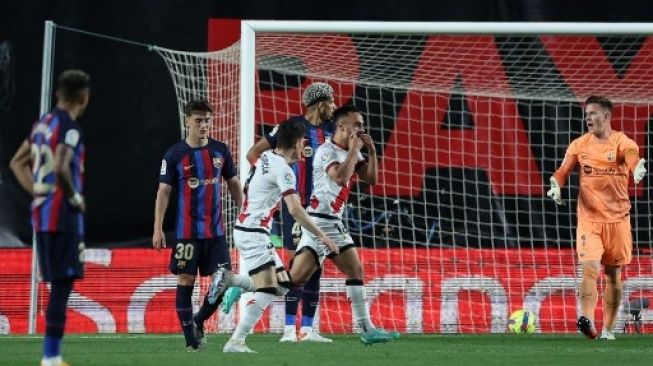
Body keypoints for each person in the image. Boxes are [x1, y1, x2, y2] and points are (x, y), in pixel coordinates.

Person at [223, 82, 337, 343]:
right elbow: (254, 152)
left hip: (321, 206)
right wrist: (269, 181)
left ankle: (307, 330)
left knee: (314, 267)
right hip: (294, 207)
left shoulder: (333, 130)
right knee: (295, 267)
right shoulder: (290, 128)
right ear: (320, 103)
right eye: (330, 101)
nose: (334, 106)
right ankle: (288, 329)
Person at [284, 105, 398, 345]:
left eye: (362, 124)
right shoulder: (326, 150)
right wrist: (355, 149)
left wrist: (373, 152)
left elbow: (371, 179)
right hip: (322, 221)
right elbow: (339, 177)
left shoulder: (351, 151)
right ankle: (367, 331)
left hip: (329, 221)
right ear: (342, 126)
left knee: (296, 280)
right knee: (350, 271)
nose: (361, 128)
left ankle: (242, 285)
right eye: (357, 124)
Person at [546, 95, 647, 340]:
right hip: (589, 221)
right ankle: (588, 320)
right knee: (589, 270)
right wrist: (556, 184)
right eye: (586, 113)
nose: (587, 117)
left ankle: (609, 330)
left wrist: (637, 168)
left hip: (618, 221)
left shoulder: (621, 141)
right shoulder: (579, 145)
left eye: (592, 113)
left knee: (613, 275)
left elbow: (632, 155)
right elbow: (562, 171)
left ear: (606, 116)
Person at [10, 69, 90, 366]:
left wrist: (39, 194)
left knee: (58, 284)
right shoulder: (69, 127)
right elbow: (60, 165)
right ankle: (51, 357)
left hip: (42, 218)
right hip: (62, 218)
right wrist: (72, 197)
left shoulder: (41, 125)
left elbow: (17, 163)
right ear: (84, 97)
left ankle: (51, 356)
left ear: (59, 94)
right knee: (62, 284)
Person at [152, 100, 243, 351]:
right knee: (185, 280)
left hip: (215, 233)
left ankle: (199, 320)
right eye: (199, 120)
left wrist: (243, 210)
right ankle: (190, 339)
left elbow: (233, 182)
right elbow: (163, 192)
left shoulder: (220, 151)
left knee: (223, 282)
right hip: (187, 234)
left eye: (207, 120)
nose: (204, 125)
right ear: (187, 121)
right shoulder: (174, 155)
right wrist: (157, 228)